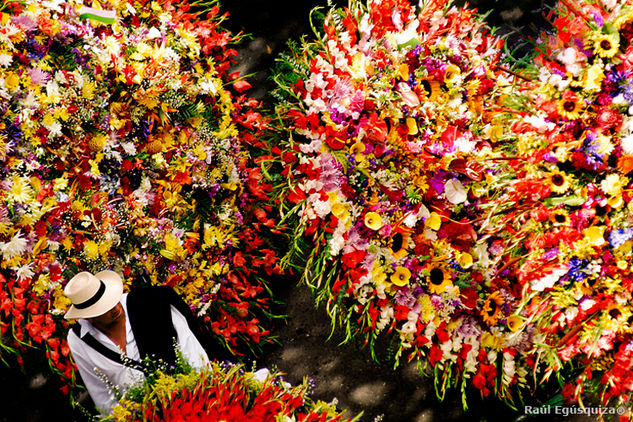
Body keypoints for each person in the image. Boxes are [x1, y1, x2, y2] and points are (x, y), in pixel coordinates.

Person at [64, 270, 218, 415]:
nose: (114, 306)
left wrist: (207, 399)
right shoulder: (79, 340)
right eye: (104, 307)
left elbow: (192, 353)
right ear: (89, 317)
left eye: (110, 298)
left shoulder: (153, 303)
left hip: (190, 402)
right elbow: (101, 394)